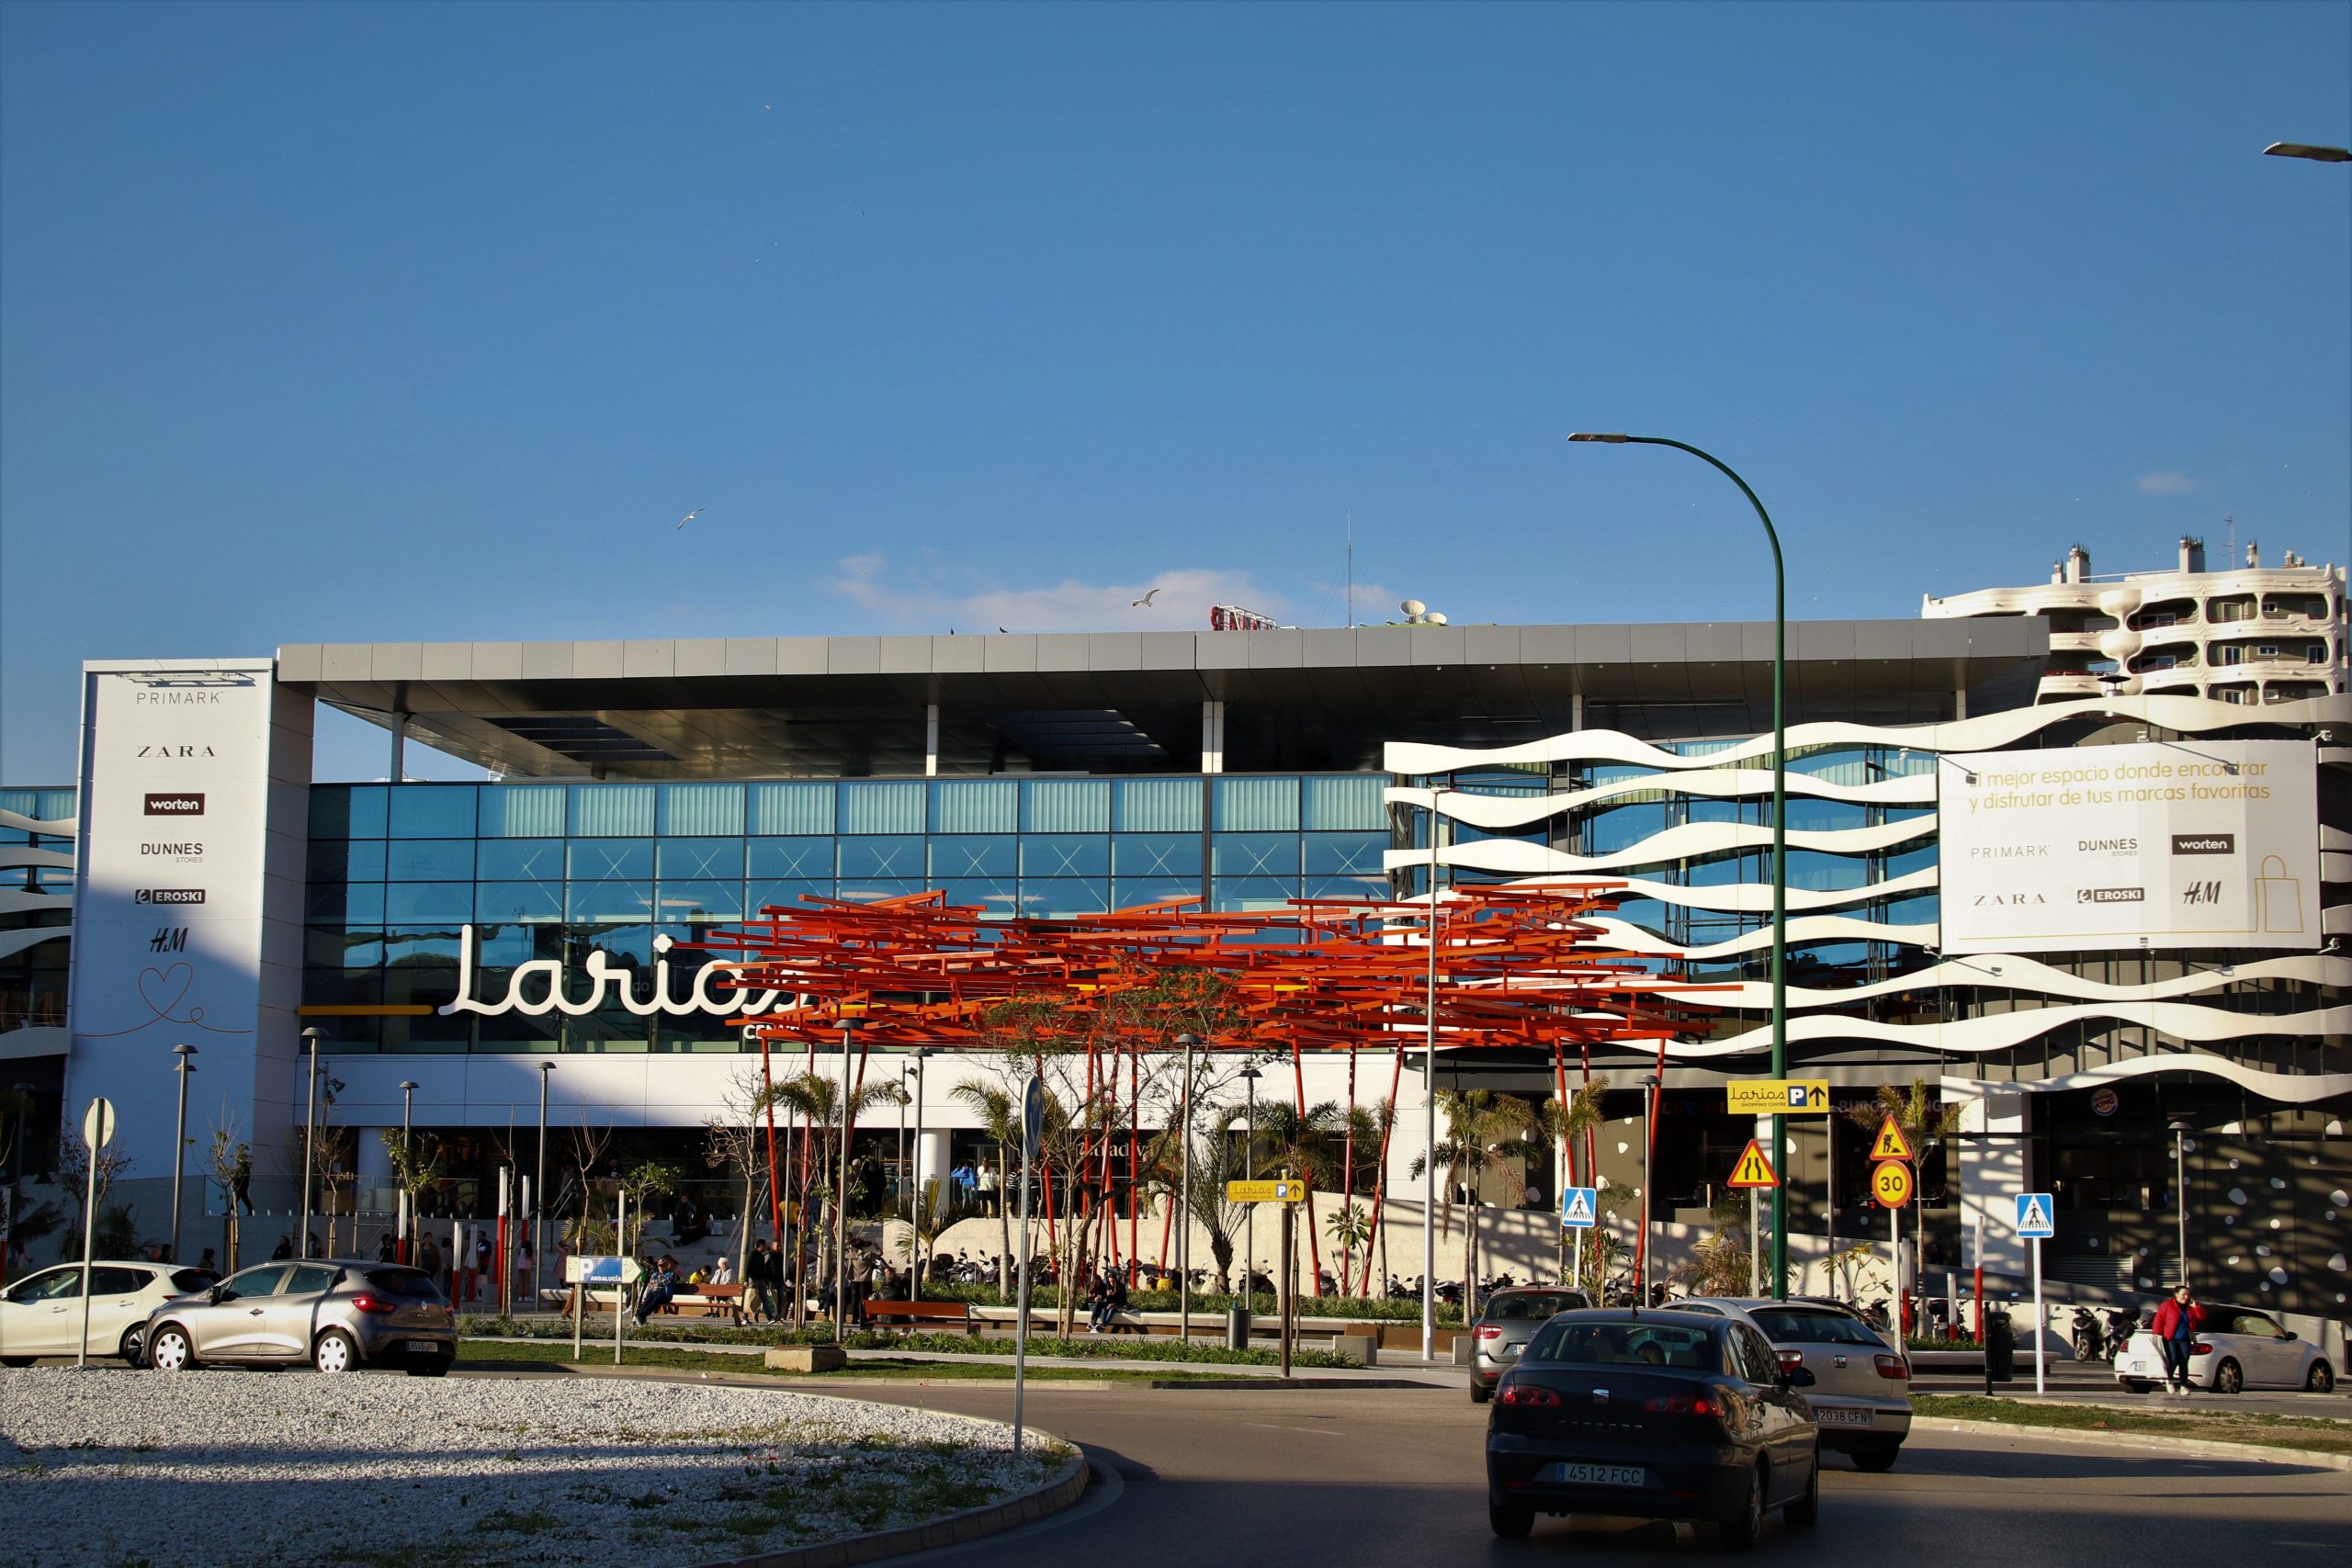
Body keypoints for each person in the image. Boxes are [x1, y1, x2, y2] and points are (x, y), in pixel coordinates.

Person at [2151, 1284, 2207, 1396]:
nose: (2186, 1297)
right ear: (2176, 1295)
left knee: (2184, 1361)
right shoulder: (2167, 1305)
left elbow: (2202, 1317)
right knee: (2173, 1359)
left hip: (2185, 1338)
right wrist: (2156, 1334)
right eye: (2183, 1294)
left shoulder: (2190, 1307)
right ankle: (2170, 1380)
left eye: (2188, 1294)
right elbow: (2159, 1319)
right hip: (2170, 1338)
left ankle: (2183, 1386)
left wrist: (2196, 1307)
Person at [635, 1255, 681, 1325]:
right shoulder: (655, 1274)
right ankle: (641, 1316)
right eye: (660, 1266)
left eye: (663, 1265)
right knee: (647, 1300)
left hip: (664, 1294)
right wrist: (656, 1284)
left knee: (656, 1300)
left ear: (666, 1266)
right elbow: (652, 1283)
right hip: (654, 1292)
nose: (661, 1267)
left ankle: (640, 1315)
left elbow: (668, 1281)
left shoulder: (672, 1274)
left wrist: (656, 1284)